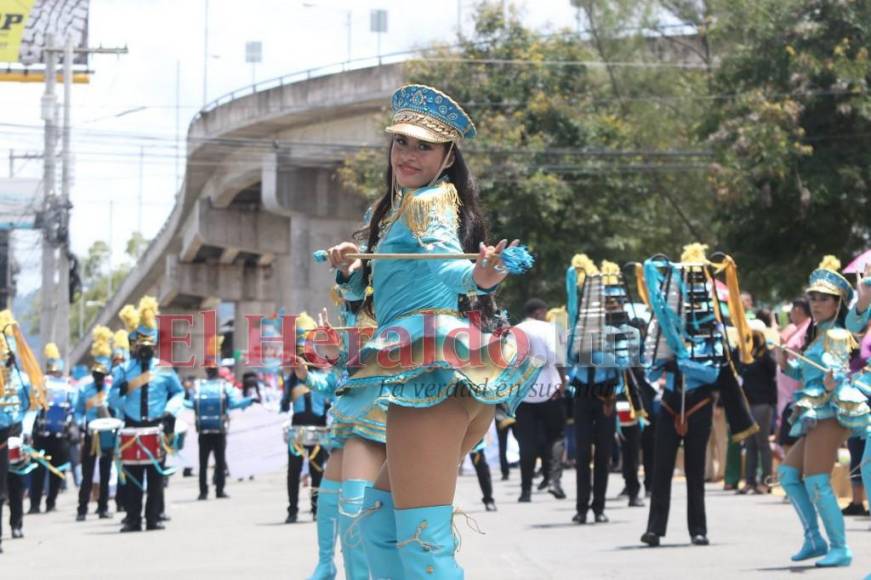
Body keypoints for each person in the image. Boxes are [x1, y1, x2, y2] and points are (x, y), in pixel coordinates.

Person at [326, 84, 539, 577]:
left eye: (424, 146)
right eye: (402, 141)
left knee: (424, 546)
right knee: (376, 528)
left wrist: (481, 275)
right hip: (438, 371)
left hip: (431, 375)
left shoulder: (429, 204)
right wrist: (350, 269)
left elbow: (448, 268)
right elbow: (376, 297)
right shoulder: (398, 209)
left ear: (447, 158)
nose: (409, 153)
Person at [641, 243, 758, 548]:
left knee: (695, 471)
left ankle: (698, 530)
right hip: (668, 401)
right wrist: (664, 357)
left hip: (699, 403)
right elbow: (650, 372)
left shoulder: (712, 330)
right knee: (662, 468)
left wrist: (686, 360)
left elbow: (713, 373)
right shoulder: (661, 327)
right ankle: (654, 529)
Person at [776, 257, 871, 568]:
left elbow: (841, 365)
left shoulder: (840, 331)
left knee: (817, 479)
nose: (816, 303)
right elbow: (806, 376)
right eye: (813, 297)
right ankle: (814, 539)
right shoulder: (815, 335)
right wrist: (783, 362)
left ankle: (839, 547)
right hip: (814, 414)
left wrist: (833, 379)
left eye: (824, 299)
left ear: (837, 303)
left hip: (830, 414)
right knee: (788, 474)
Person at [566, 257, 639, 524]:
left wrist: (598, 352)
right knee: (583, 454)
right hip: (583, 395)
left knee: (605, 454)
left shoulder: (627, 331)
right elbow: (572, 358)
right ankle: (581, 508)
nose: (612, 306)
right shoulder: (579, 327)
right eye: (606, 301)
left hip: (607, 396)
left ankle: (599, 507)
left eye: (615, 301)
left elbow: (625, 362)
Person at [109, 296, 184, 532]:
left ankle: (153, 518)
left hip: (155, 426)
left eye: (148, 347)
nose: (144, 351)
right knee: (132, 477)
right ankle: (132, 519)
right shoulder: (123, 369)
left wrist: (170, 411)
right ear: (134, 346)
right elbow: (110, 399)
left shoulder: (164, 368)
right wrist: (119, 393)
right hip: (132, 427)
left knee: (154, 476)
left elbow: (179, 393)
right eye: (140, 346)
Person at [513, 298, 567, 503]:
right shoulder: (550, 329)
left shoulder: (514, 331)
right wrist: (562, 381)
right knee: (556, 436)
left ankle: (525, 491)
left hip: (523, 394)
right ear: (538, 313)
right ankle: (554, 481)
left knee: (526, 442)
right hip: (550, 391)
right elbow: (558, 357)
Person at [280, 314, 331, 525]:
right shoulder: (291, 380)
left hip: (318, 427)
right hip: (298, 429)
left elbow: (330, 402)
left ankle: (316, 509)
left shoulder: (324, 377)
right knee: (293, 472)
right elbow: (283, 405)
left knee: (317, 471)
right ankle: (292, 510)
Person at [188, 335, 253, 500]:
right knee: (219, 460)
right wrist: (250, 401)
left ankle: (203, 492)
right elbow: (234, 404)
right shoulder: (224, 386)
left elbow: (190, 404)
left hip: (203, 430)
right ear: (218, 370)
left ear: (206, 370)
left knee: (203, 463)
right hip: (219, 429)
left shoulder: (198, 386)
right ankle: (219, 490)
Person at [0, 310, 37, 553]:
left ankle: (17, 523)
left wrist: (27, 431)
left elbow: (31, 407)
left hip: (17, 432)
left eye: (9, 355)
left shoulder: (23, 378)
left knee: (18, 482)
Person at [74, 326, 116, 521]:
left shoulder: (111, 389)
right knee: (88, 473)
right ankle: (82, 509)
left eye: (102, 374)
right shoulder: (84, 390)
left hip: (107, 433)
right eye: (96, 374)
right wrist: (80, 424)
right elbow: (77, 411)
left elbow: (117, 408)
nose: (99, 377)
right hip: (91, 433)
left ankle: (103, 507)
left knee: (106, 472)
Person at [29, 342, 75, 514]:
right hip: (45, 435)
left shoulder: (64, 385)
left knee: (54, 471)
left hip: (57, 435)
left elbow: (72, 409)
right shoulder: (44, 384)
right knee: (41, 471)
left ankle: (46, 503)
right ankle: (40, 504)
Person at [736, 321, 777, 495]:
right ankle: (750, 481)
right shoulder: (746, 355)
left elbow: (772, 371)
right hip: (748, 403)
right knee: (750, 444)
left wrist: (766, 349)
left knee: (762, 443)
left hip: (762, 403)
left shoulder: (765, 355)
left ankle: (766, 481)